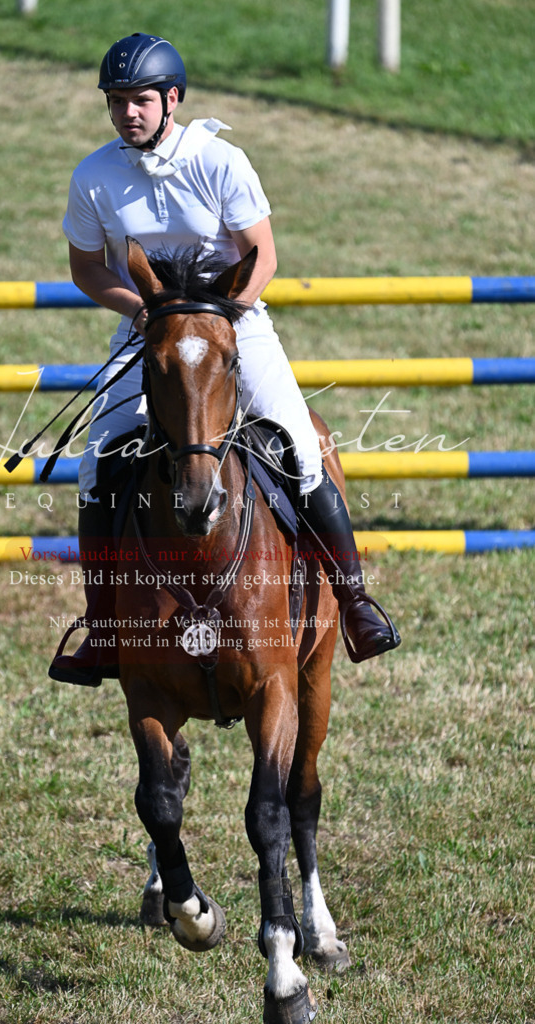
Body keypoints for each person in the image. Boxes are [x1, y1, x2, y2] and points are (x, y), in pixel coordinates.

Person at [49, 32, 400, 686]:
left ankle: (355, 603)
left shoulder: (221, 161)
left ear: (173, 99)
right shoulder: (93, 175)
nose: (129, 112)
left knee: (299, 443)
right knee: (98, 465)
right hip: (149, 330)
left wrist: (221, 320)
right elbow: (86, 270)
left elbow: (263, 255)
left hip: (236, 324)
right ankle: (101, 628)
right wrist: (146, 313)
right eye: (118, 101)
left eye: (142, 100)